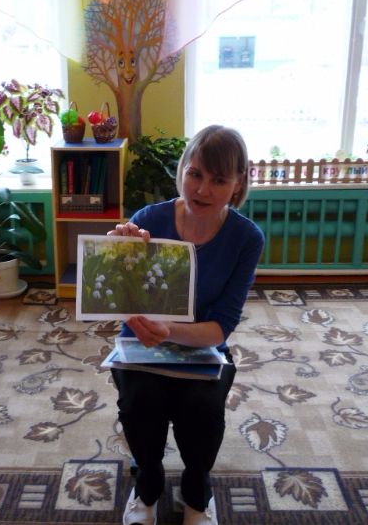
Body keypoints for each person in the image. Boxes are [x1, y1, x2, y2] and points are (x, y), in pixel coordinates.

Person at [108, 125, 264, 525]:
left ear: (238, 183)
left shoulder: (246, 238)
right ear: (182, 170)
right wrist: (114, 255)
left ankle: (197, 492)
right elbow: (122, 298)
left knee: (202, 409)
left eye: (218, 180)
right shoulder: (149, 220)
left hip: (203, 346)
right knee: (140, 403)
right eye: (195, 174)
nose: (203, 189)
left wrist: (170, 330)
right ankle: (147, 485)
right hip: (141, 345)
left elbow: (221, 328)